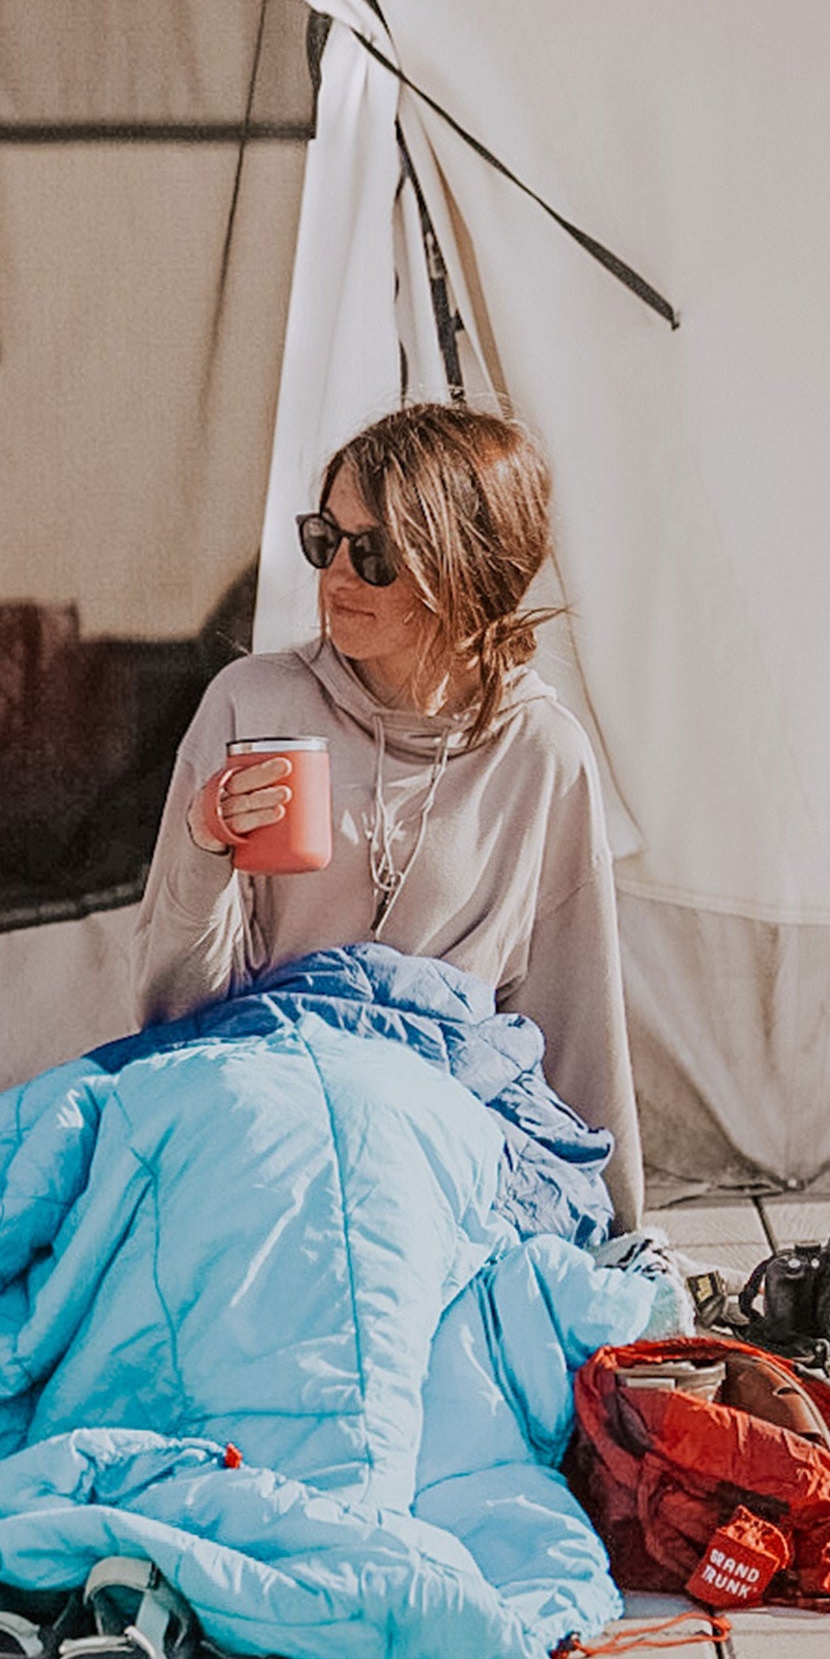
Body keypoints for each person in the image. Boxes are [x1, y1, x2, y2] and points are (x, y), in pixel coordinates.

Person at [131, 402, 644, 1230]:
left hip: (440, 1132)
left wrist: (617, 1235)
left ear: (467, 567)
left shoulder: (542, 752)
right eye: (323, 539)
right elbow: (170, 1016)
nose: (334, 574)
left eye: (373, 554)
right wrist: (204, 846)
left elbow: (578, 1013)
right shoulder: (253, 703)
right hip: (269, 1101)